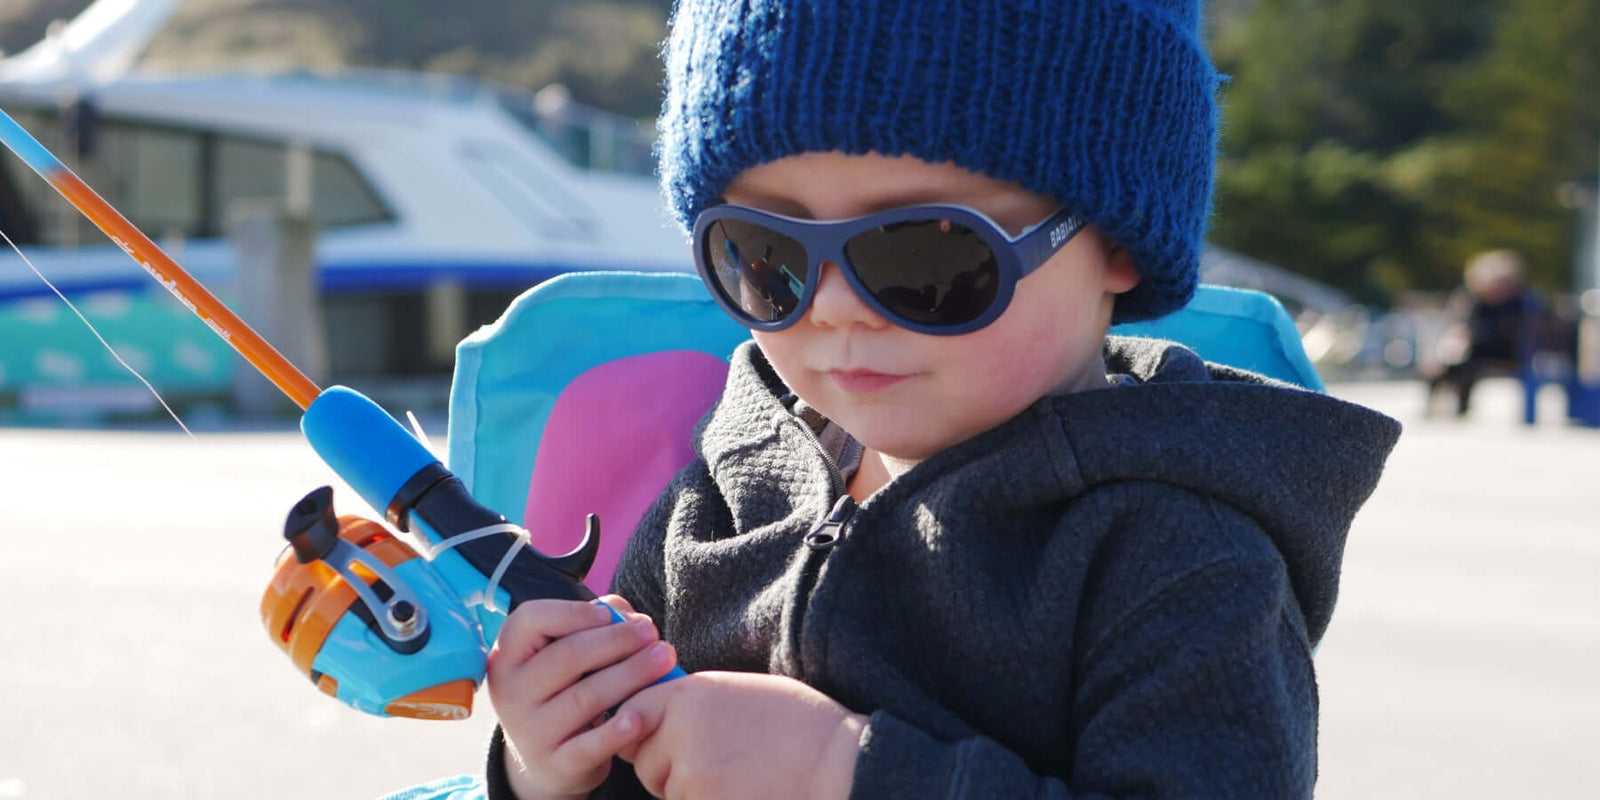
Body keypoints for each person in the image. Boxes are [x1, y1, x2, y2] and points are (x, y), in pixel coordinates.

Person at [482, 1, 1402, 798]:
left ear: (1116, 243)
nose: (834, 310)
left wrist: (844, 771)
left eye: (925, 257)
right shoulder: (723, 487)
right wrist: (556, 764)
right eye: (768, 256)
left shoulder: (1181, 558)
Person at [1424, 249, 1545, 417]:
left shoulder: (1523, 303)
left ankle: (1462, 408)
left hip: (1512, 352)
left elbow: (1532, 333)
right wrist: (1443, 355)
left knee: (1467, 365)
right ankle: (1448, 409)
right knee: (1445, 366)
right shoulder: (1472, 301)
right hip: (1476, 350)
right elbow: (1460, 330)